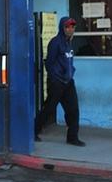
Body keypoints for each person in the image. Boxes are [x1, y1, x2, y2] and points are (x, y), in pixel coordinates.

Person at [35, 17, 85, 147]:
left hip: (68, 82)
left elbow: (68, 62)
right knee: (49, 109)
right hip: (57, 83)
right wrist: (56, 78)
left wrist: (70, 73)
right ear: (62, 28)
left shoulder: (69, 43)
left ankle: (72, 138)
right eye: (67, 27)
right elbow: (49, 63)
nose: (70, 29)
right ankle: (33, 131)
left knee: (73, 110)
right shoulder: (55, 42)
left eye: (73, 27)